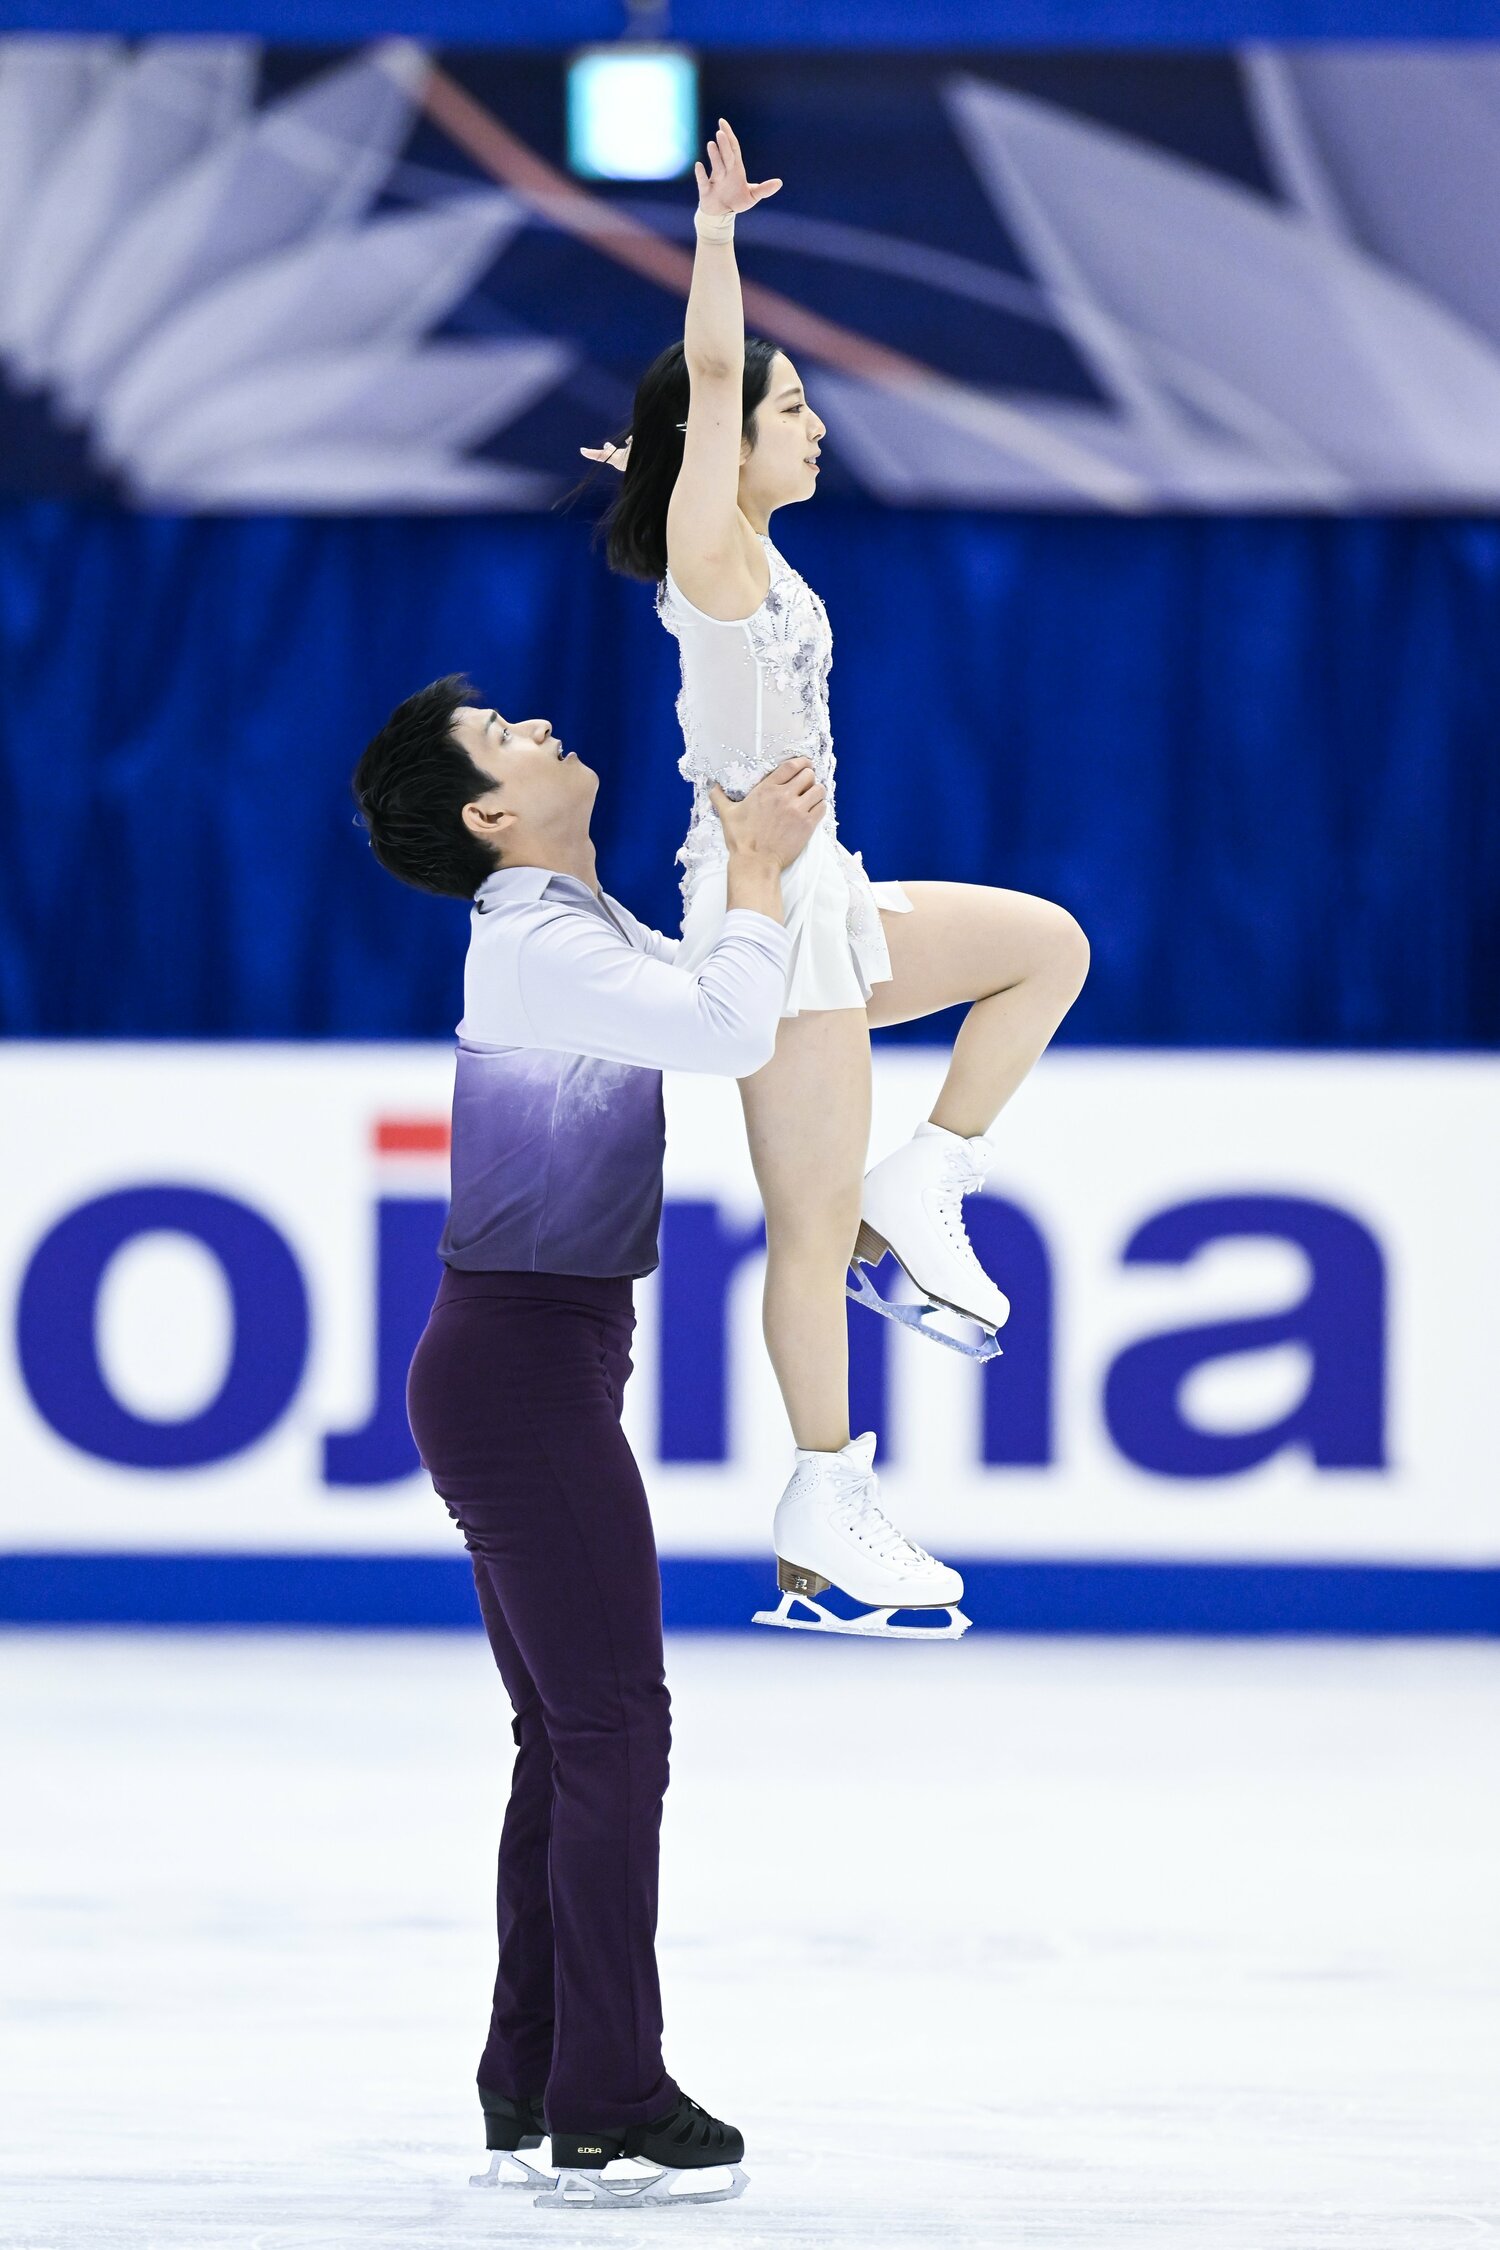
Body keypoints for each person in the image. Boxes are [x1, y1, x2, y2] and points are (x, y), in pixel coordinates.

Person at [580, 117, 1091, 1640]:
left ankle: (923, 1181)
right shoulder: (718, 558)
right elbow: (714, 386)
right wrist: (721, 245)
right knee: (803, 1230)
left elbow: (697, 446)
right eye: (789, 407)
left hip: (825, 891)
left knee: (1043, 946)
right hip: (766, 911)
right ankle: (823, 1499)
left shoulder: (740, 549)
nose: (813, 426)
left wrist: (664, 462)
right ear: (723, 443)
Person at [350, 677, 826, 2209]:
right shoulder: (537, 944)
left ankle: (532, 2072)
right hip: (522, 1376)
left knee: (571, 1733)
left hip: (533, 1359)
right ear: (490, 819)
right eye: (506, 738)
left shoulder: (580, 930)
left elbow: (728, 997)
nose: (542, 727)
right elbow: (728, 1023)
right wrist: (756, 872)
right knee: (617, 1725)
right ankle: (608, 2097)